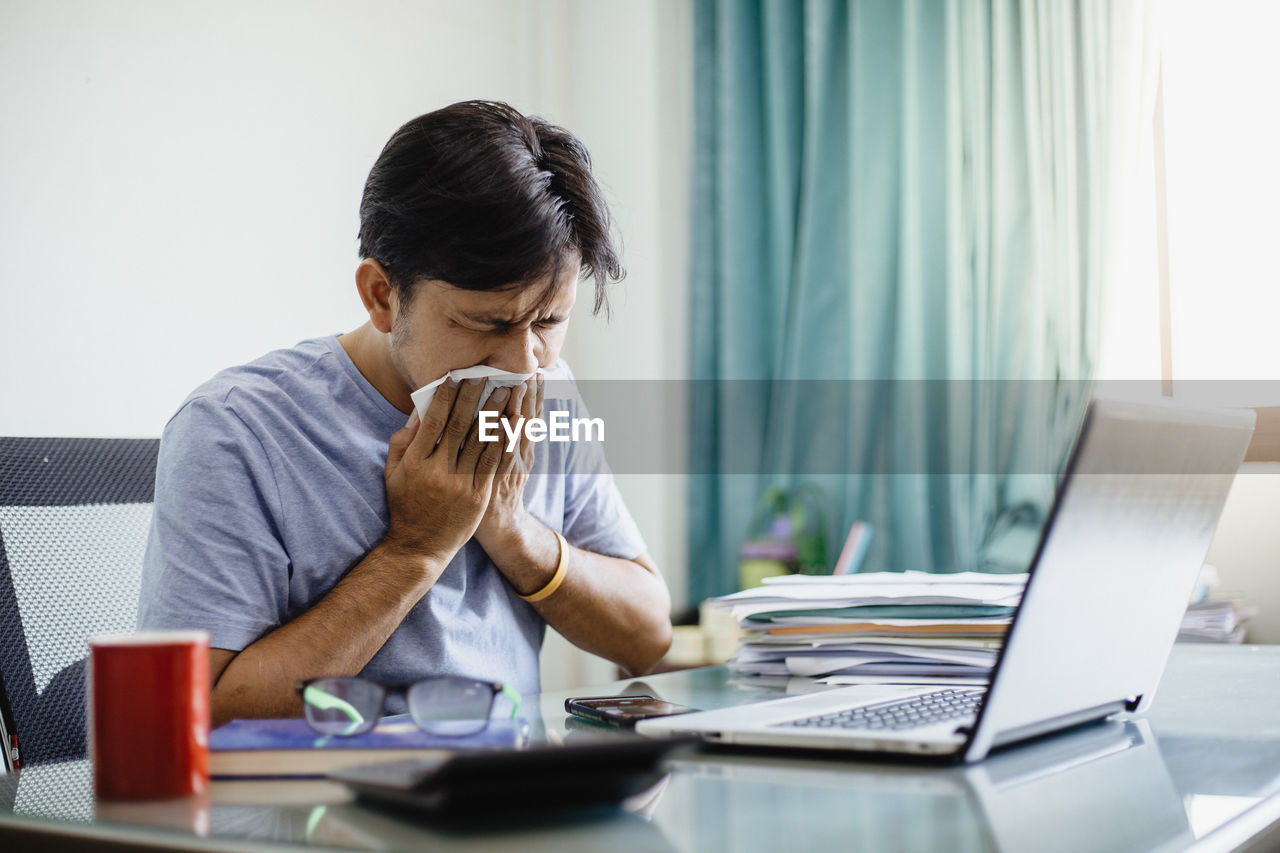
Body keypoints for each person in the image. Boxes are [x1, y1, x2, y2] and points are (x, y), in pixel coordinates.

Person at [137, 101, 672, 727]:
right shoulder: (235, 431)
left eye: (549, 321)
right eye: (488, 323)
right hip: (317, 806)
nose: (526, 362)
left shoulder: (547, 393)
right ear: (382, 296)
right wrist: (417, 547)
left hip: (509, 795)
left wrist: (509, 531)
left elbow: (647, 635)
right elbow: (200, 713)